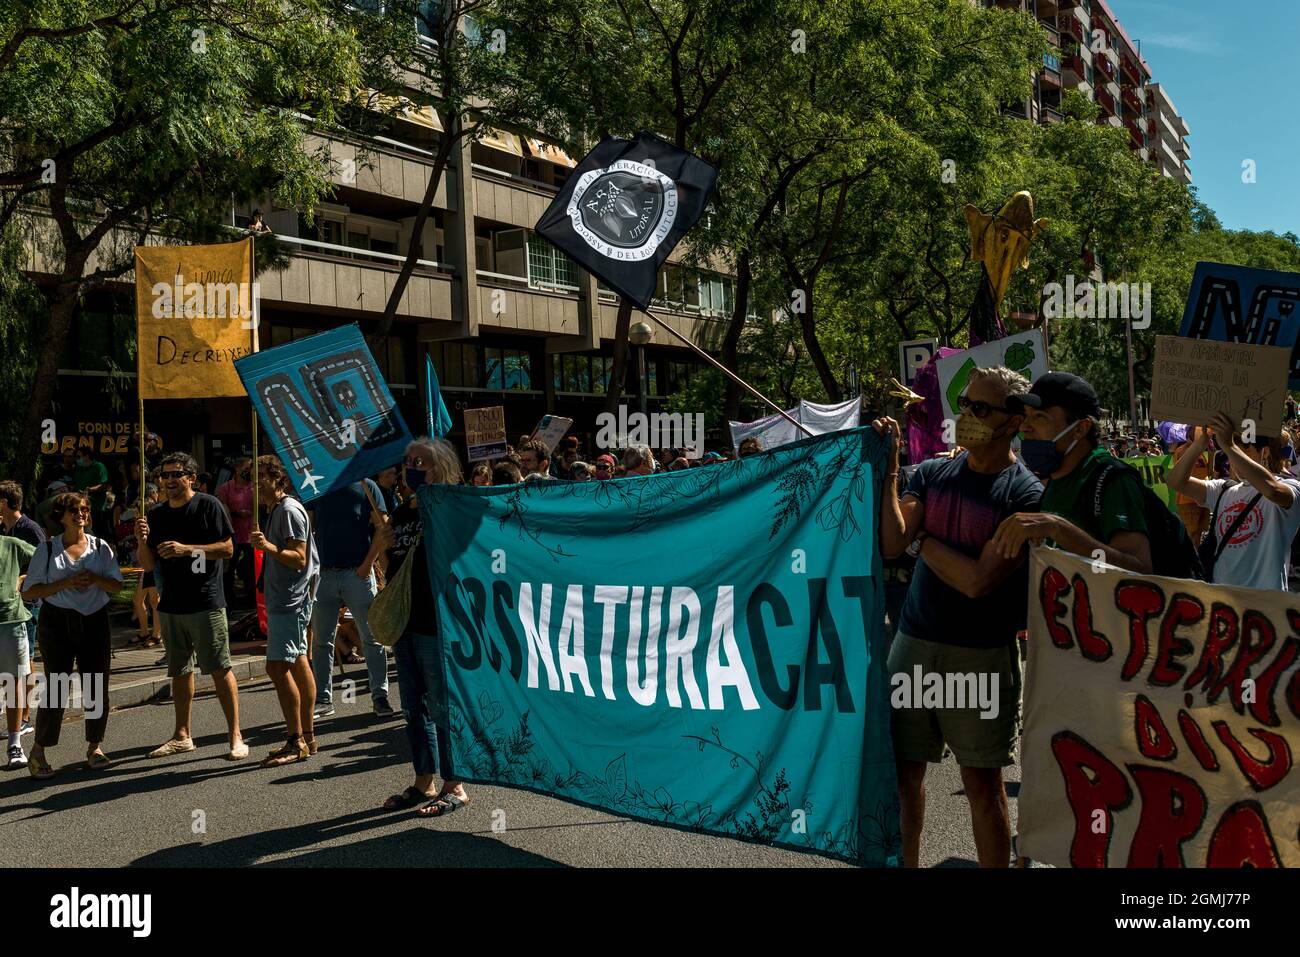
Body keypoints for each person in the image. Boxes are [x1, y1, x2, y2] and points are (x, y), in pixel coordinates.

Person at [873, 366, 1043, 868]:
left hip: (981, 657)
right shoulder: (930, 474)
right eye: (965, 404)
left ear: (1014, 421)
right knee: (905, 778)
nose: (966, 416)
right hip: (914, 646)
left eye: (981, 408)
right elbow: (890, 541)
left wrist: (922, 542)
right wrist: (890, 470)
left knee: (982, 786)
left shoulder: (1024, 496)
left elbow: (976, 581)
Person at [381, 438, 473, 817]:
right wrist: (385, 544)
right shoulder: (401, 513)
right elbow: (394, 568)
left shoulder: (452, 508)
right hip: (405, 621)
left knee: (441, 705)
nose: (410, 468)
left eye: (420, 462)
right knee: (412, 708)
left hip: (437, 623)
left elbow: (465, 558)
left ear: (441, 468)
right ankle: (424, 780)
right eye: (407, 462)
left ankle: (456, 785)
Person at [135, 452, 248, 760]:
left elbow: (227, 549)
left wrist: (186, 550)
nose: (169, 480)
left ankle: (235, 735)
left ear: (191, 479)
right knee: (180, 670)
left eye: (176, 474)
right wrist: (141, 540)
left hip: (205, 601)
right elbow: (148, 564)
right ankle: (182, 735)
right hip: (171, 604)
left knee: (218, 667)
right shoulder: (156, 514)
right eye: (165, 475)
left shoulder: (208, 505)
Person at [992, 373, 1153, 574]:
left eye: (1039, 417)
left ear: (1080, 429)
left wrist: (1057, 529)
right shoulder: (1054, 480)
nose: (1025, 426)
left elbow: (1139, 572)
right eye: (1026, 415)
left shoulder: (1112, 480)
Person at [19, 491, 123, 777]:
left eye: (85, 509)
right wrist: (66, 582)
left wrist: (96, 580)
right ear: (61, 516)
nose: (81, 514)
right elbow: (29, 591)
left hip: (95, 621)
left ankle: (95, 746)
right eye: (74, 510)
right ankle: (39, 751)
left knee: (96, 685)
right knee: (56, 687)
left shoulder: (101, 548)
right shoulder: (48, 549)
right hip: (58, 622)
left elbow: (117, 586)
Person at [1167, 415, 1300, 590]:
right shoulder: (1224, 490)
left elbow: (1272, 491)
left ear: (1265, 452)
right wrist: (1199, 445)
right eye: (1232, 453)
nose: (1235, 458)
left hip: (1265, 600)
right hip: (1223, 600)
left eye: (1246, 450)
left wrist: (1229, 446)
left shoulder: (1290, 486)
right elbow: (1177, 482)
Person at [250, 455, 319, 764]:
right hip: (288, 598)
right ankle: (308, 737)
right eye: (252, 477)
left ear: (278, 478)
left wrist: (269, 548)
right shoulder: (277, 510)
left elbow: (299, 557)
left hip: (291, 600)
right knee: (299, 660)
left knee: (278, 667)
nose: (255, 483)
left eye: (261, 476)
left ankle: (295, 740)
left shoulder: (288, 510)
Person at [308, 478, 393, 718]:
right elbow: (308, 528)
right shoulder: (317, 485)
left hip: (357, 573)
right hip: (324, 574)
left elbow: (382, 526)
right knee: (322, 641)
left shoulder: (367, 485)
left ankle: (380, 696)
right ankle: (323, 699)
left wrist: (367, 565)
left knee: (372, 638)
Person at [0, 480, 45, 735]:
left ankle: (25, 717)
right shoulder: (8, 529)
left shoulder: (29, 528)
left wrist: (20, 580)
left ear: (4, 503)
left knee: (25, 663)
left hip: (27, 606)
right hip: (11, 609)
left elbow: (45, 560)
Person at [1, 530, 36, 768]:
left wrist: (23, 579)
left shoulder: (11, 545)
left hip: (11, 621)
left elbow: (44, 558)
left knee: (13, 683)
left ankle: (15, 745)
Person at [216, 457, 255, 606]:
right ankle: (230, 600)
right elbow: (222, 509)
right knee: (229, 571)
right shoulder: (226, 488)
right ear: (237, 469)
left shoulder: (254, 486)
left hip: (251, 536)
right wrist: (236, 513)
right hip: (233, 535)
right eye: (246, 468)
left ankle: (251, 599)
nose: (248, 471)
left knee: (250, 569)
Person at [1173, 435, 1212, 545]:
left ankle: (1197, 558)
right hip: (1187, 500)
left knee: (1199, 532)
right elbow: (1179, 474)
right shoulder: (1181, 451)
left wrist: (1211, 453)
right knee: (1191, 533)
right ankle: (1190, 559)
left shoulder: (1200, 452)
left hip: (1203, 498)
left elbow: (1209, 473)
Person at [73, 448, 113, 542]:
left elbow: (104, 485)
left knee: (97, 535)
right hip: (80, 508)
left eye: (79, 457)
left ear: (87, 456)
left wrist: (90, 490)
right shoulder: (79, 468)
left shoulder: (99, 467)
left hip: (96, 507)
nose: (77, 459)